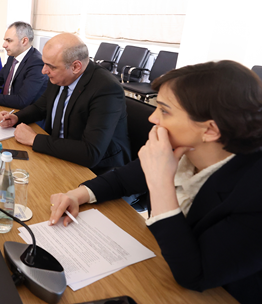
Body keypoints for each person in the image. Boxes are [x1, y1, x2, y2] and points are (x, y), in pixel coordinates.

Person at [49, 61, 262, 303]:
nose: (152, 117)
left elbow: (194, 274)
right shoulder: (183, 148)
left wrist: (161, 182)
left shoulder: (254, 191)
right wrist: (78, 194)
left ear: (210, 130)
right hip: (161, 265)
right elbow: (122, 179)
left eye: (164, 111)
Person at [0, 33, 129, 174]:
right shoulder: (61, 75)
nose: (44, 71)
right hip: (57, 154)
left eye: (50, 66)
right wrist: (17, 117)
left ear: (76, 67)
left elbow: (91, 152)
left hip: (94, 170)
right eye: (44, 63)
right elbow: (41, 106)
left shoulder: (106, 89)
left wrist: (34, 139)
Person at [0, 21, 48, 109]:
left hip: (21, 113)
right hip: (5, 107)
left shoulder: (37, 63)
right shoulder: (13, 56)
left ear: (24, 41)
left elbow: (22, 100)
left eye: (9, 41)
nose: (4, 45)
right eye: (5, 40)